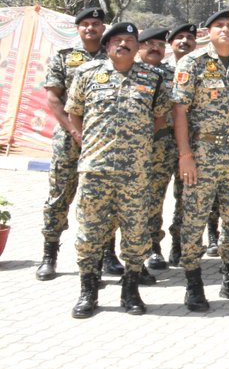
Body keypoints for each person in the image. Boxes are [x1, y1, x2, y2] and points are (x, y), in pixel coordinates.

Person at [64, 22, 169, 318]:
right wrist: (92, 143)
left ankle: (131, 289)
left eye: (130, 41)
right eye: (118, 40)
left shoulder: (152, 78)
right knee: (90, 232)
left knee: (136, 232)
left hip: (135, 171)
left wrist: (138, 142)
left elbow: (159, 118)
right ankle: (88, 291)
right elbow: (74, 113)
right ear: (108, 46)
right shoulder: (86, 74)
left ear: (137, 48)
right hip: (95, 169)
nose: (124, 44)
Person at [171, 8, 229, 311]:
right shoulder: (192, 63)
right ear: (208, 31)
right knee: (194, 219)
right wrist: (185, 156)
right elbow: (179, 111)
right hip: (203, 154)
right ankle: (193, 283)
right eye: (219, 25)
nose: (225, 29)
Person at [37, 7, 108, 282]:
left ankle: (105, 256)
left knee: (103, 200)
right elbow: (54, 98)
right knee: (59, 196)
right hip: (70, 140)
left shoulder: (115, 56)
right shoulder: (64, 58)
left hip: (103, 140)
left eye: (96, 24)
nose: (91, 28)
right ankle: (49, 255)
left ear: (103, 28)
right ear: (78, 29)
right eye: (85, 24)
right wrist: (73, 130)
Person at [138, 27, 174, 274]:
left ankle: (153, 247)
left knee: (154, 199)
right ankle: (110, 253)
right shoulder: (130, 71)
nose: (155, 48)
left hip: (164, 146)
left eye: (160, 44)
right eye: (149, 43)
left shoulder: (174, 73)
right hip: (133, 147)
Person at [165, 20, 199, 264]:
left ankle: (178, 244)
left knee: (185, 198)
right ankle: (152, 248)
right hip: (159, 145)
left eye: (190, 38)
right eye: (180, 38)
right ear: (171, 43)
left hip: (188, 145)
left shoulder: (199, 70)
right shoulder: (157, 71)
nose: (185, 41)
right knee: (151, 198)